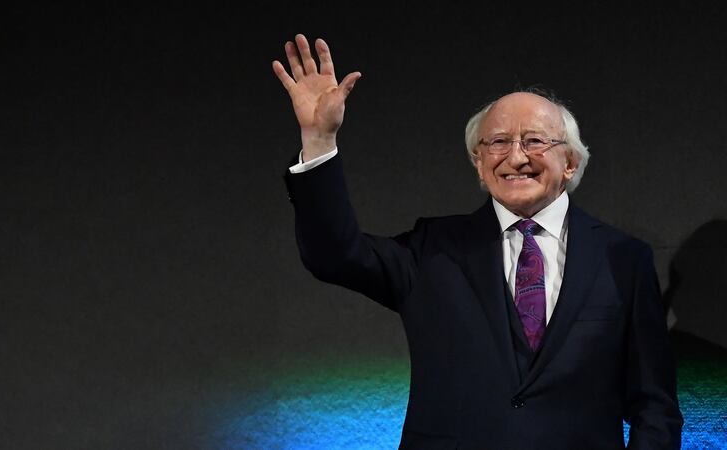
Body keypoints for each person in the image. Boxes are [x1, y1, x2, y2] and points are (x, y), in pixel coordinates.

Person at [273, 34, 683, 449]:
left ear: (570, 162)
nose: (516, 157)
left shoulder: (623, 259)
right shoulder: (431, 248)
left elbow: (655, 407)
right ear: (479, 165)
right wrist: (319, 141)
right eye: (498, 142)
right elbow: (334, 255)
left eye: (535, 141)